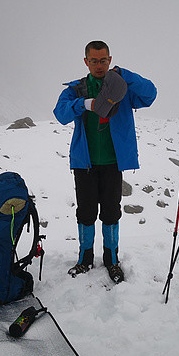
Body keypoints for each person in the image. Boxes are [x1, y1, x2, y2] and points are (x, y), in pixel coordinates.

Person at [53, 41, 157, 283]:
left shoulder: (122, 88)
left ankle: (112, 260)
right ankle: (85, 259)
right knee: (86, 213)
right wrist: (84, 104)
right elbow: (60, 114)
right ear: (86, 61)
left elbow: (150, 94)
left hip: (112, 162)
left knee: (111, 213)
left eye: (103, 60)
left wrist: (125, 75)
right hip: (84, 163)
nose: (99, 65)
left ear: (110, 60)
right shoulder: (76, 90)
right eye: (94, 60)